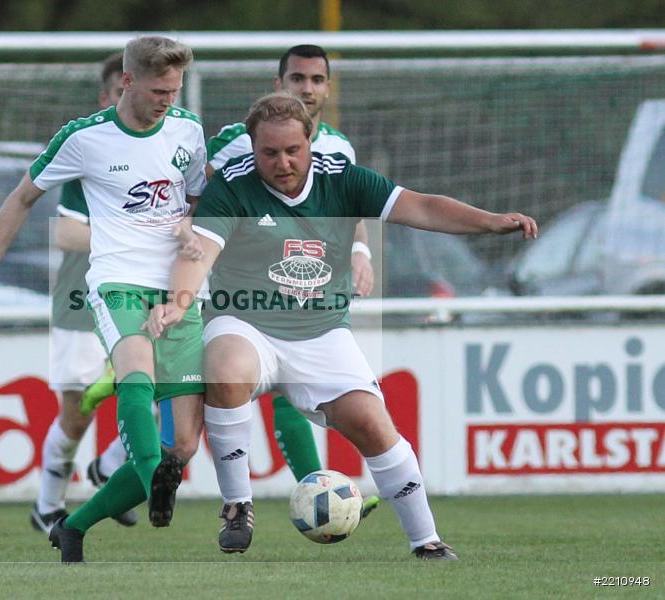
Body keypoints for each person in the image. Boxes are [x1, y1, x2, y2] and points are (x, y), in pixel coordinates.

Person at [146, 93, 538, 559]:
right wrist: (179, 300)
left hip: (323, 332)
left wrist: (490, 222)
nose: (283, 162)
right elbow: (200, 254)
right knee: (227, 368)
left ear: (310, 140)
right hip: (246, 322)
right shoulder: (232, 187)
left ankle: (426, 540)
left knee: (372, 424)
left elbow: (424, 207)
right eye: (269, 153)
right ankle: (237, 506)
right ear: (253, 148)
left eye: (293, 150)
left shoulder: (344, 178)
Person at [0, 36, 208, 564]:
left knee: (182, 445)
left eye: (175, 90)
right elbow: (21, 198)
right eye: (159, 90)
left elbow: (196, 199)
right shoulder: (84, 137)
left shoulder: (188, 130)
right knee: (134, 372)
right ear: (127, 81)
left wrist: (188, 225)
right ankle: (150, 481)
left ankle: (74, 525)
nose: (168, 100)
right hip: (117, 282)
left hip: (180, 290)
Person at [206, 44, 378, 544]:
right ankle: (123, 464)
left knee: (288, 387)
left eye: (317, 80)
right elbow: (203, 197)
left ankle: (319, 491)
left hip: (307, 289)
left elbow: (348, 207)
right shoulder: (233, 143)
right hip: (243, 294)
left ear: (328, 87)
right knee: (198, 394)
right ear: (278, 85)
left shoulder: (339, 147)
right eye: (297, 79)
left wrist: (361, 251)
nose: (307, 88)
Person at [30, 52, 138, 534]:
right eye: (119, 93)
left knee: (170, 389)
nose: (127, 102)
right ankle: (47, 504)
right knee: (75, 418)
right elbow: (67, 234)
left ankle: (111, 467)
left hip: (141, 296)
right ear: (105, 97)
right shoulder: (89, 149)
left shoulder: (165, 149)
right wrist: (139, 235)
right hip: (82, 301)